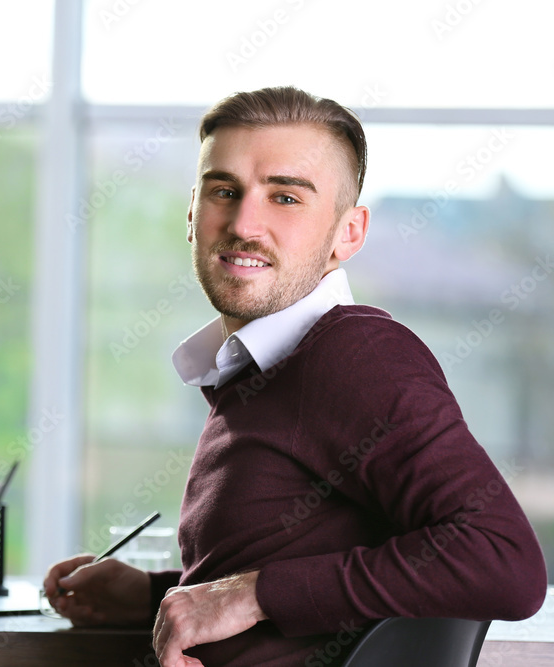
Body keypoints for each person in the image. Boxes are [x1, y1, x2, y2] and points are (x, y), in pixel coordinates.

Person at [42, 86, 548, 667]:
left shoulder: (356, 355)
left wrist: (250, 594)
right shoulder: (265, 367)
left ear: (348, 234)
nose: (244, 223)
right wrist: (158, 594)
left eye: (285, 197)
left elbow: (503, 559)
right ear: (191, 215)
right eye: (224, 191)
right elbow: (307, 568)